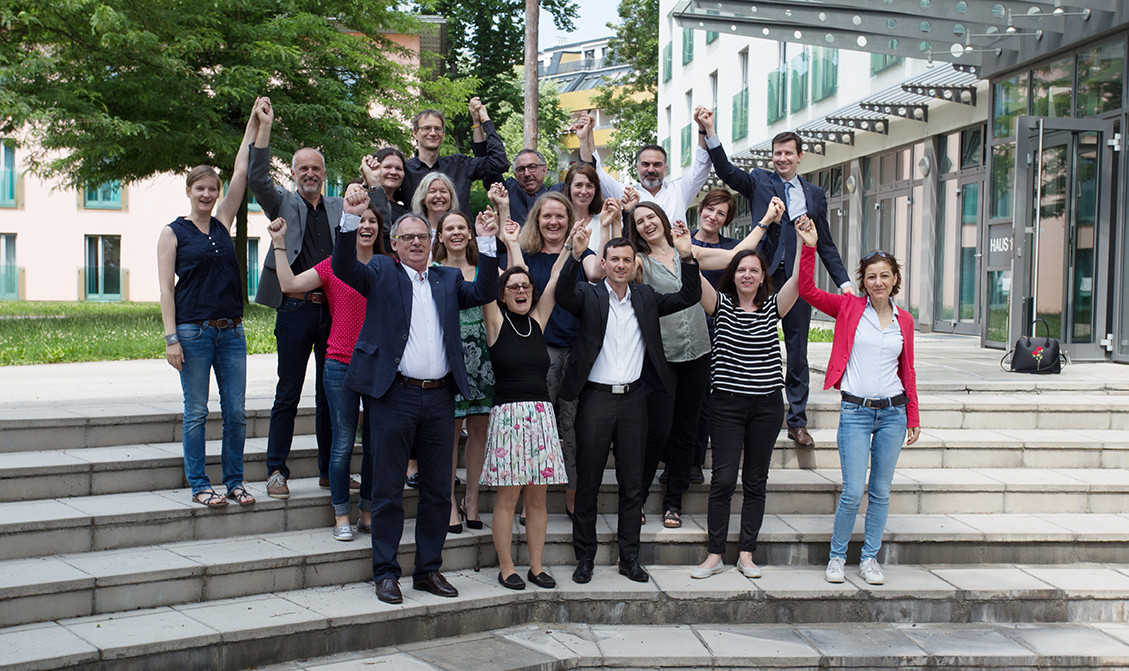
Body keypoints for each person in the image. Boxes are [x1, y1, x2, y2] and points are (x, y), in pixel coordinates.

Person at [331, 190, 499, 605]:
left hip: (440, 398)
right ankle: (386, 572)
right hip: (394, 396)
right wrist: (351, 220)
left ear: (432, 240)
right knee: (388, 490)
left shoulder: (448, 279)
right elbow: (343, 266)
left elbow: (484, 292)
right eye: (407, 238)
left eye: (422, 237)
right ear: (395, 244)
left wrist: (490, 242)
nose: (416, 244)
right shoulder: (382, 273)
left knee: (439, 491)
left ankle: (428, 570)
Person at [700, 106, 853, 450]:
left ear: (800, 157)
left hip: (799, 279)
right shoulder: (758, 180)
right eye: (777, 154)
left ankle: (797, 421)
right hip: (762, 276)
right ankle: (739, 409)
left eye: (788, 154)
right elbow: (725, 170)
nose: (781, 159)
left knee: (797, 350)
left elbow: (824, 242)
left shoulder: (814, 194)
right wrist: (711, 132)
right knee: (747, 342)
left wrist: (843, 283)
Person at [555, 230, 701, 585]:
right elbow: (561, 295)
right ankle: (585, 558)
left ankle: (629, 558)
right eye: (614, 259)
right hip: (595, 398)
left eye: (626, 259)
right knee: (588, 482)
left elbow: (689, 295)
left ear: (635, 264)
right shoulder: (588, 295)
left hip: (635, 399)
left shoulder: (646, 297)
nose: (620, 265)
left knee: (632, 483)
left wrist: (687, 257)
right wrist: (574, 257)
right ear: (603, 264)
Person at [629, 201, 784, 530]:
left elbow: (737, 254)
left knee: (687, 432)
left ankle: (674, 502)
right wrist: (617, 220)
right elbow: (612, 264)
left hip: (699, 352)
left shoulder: (690, 252)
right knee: (657, 431)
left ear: (663, 219)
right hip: (662, 356)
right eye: (639, 221)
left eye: (651, 217)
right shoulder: (639, 263)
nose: (646, 224)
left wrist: (767, 219)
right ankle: (637, 498)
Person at [794, 221, 920, 586]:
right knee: (852, 491)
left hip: (893, 413)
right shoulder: (849, 309)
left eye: (885, 276)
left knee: (880, 491)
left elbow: (907, 370)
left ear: (895, 279)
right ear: (863, 281)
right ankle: (836, 557)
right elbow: (807, 290)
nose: (878, 282)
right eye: (871, 277)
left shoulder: (905, 321)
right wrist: (809, 248)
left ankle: (869, 559)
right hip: (856, 412)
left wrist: (913, 415)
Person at [690, 202, 807, 581]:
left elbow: (799, 282)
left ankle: (746, 554)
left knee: (756, 481)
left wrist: (805, 245)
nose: (747, 274)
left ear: (762, 277)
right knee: (723, 480)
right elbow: (694, 278)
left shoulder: (774, 307)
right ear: (733, 274)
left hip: (767, 406)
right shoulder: (721, 305)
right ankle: (714, 554)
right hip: (726, 405)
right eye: (741, 269)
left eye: (753, 270)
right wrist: (682, 250)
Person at [157, 99, 261, 508]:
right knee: (197, 412)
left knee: (235, 412)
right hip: (193, 333)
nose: (207, 193)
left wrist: (252, 123)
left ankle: (234, 481)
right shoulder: (173, 232)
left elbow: (240, 170)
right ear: (189, 191)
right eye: (200, 188)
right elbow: (166, 288)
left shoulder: (223, 223)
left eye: (211, 189)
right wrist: (170, 338)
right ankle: (200, 485)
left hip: (231, 330)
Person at [265, 194, 385, 541]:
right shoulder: (333, 265)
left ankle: (367, 512)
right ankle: (341, 517)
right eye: (360, 220)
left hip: (378, 367)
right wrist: (278, 244)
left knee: (376, 444)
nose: (366, 225)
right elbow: (288, 286)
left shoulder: (389, 266)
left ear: (379, 229)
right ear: (349, 226)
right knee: (343, 442)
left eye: (371, 221)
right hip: (340, 363)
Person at [249, 98, 343, 499]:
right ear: (293, 172)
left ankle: (327, 470)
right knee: (288, 391)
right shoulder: (283, 202)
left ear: (324, 174)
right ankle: (276, 471)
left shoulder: (339, 208)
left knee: (329, 394)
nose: (310, 173)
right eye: (303, 168)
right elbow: (256, 177)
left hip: (334, 314)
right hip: (294, 311)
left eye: (316, 168)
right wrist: (264, 127)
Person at [497, 190, 608, 520]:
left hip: (576, 351)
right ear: (537, 220)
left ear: (570, 221)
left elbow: (596, 272)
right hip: (538, 353)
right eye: (547, 215)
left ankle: (573, 494)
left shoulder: (581, 253)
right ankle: (528, 496)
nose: (554, 221)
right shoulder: (528, 255)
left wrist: (600, 233)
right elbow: (516, 282)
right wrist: (512, 240)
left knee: (572, 428)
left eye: (560, 215)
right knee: (533, 428)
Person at [480, 220, 571, 590]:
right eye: (513, 287)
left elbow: (553, 281)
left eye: (525, 286)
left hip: (540, 417)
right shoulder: (496, 321)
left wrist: (569, 248)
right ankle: (507, 567)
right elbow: (485, 285)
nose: (520, 290)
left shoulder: (538, 320)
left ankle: (535, 565)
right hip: (508, 417)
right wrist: (489, 241)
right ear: (503, 295)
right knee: (508, 498)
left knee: (537, 498)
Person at [432, 210, 494, 533]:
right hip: (449, 356)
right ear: (439, 235)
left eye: (461, 227)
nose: (456, 232)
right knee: (451, 433)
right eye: (449, 228)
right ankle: (450, 502)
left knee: (479, 430)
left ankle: (472, 498)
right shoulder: (431, 272)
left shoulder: (484, 268)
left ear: (470, 234)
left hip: (482, 356)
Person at [688, 189, 741, 485]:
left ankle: (696, 461)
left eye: (720, 213)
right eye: (710, 209)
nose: (713, 216)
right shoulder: (683, 244)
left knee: (706, 400)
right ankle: (674, 459)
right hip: (681, 330)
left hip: (716, 332)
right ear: (701, 209)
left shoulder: (730, 251)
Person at [578, 111, 711, 226]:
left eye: (657, 165)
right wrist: (586, 137)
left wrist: (702, 128)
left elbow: (702, 166)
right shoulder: (625, 194)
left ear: (666, 168)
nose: (651, 170)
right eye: (646, 164)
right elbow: (595, 173)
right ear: (637, 167)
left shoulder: (680, 191)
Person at [400, 98, 508, 215]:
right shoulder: (403, 171)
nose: (432, 133)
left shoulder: (459, 165)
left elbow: (499, 162)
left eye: (437, 129)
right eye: (426, 128)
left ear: (443, 134)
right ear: (415, 134)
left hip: (460, 232)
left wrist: (483, 120)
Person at [563, 163, 623, 256]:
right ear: (569, 188)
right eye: (578, 185)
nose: (584, 191)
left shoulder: (604, 221)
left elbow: (617, 256)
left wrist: (617, 222)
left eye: (589, 186)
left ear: (596, 190)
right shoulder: (558, 222)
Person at [360, 147, 409, 251]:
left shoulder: (405, 211)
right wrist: (372, 183)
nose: (393, 172)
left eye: (399, 169)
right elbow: (383, 230)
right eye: (387, 167)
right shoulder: (361, 201)